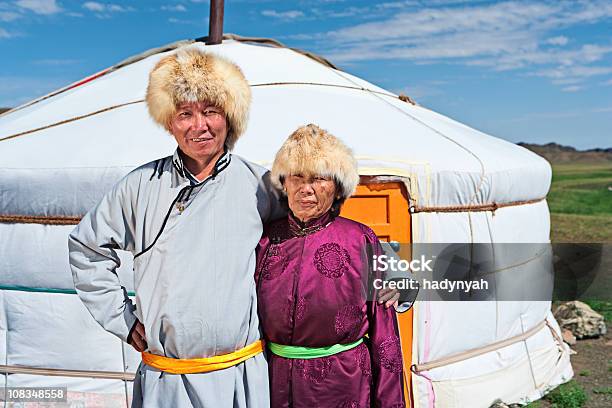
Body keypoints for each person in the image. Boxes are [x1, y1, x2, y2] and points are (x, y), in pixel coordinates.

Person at [69, 48, 280, 407]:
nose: (200, 126)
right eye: (185, 114)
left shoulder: (261, 185)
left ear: (229, 117)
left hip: (240, 378)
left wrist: (395, 282)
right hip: (168, 382)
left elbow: (316, 239)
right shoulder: (139, 187)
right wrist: (121, 319)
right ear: (169, 122)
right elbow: (86, 248)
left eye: (211, 111)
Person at [256, 124, 406, 408]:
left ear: (337, 187)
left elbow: (385, 337)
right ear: (284, 183)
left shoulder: (360, 239)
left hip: (344, 384)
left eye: (319, 178)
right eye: (297, 176)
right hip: (273, 381)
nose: (306, 188)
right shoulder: (264, 240)